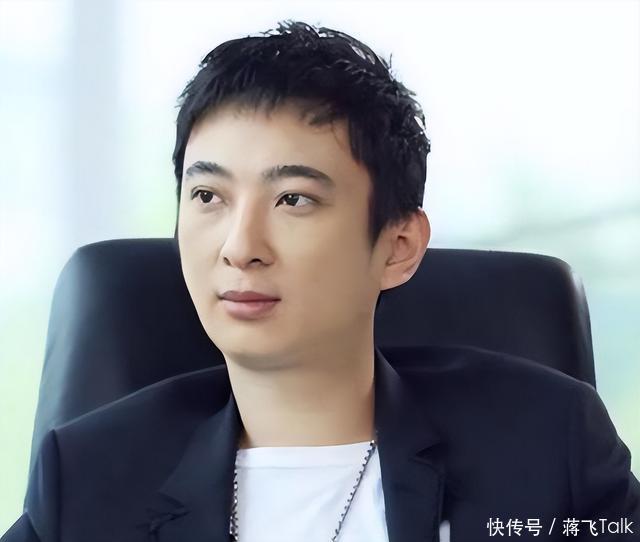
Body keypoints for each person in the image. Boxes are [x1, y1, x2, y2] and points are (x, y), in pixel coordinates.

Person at [2, 20, 639, 542]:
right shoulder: (88, 480)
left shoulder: (545, 444)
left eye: (294, 200)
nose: (240, 248)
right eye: (207, 196)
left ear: (397, 247)